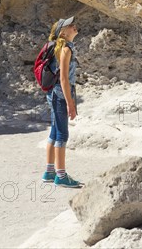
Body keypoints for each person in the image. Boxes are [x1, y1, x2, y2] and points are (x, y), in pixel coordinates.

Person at [41, 16, 83, 188]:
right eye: (70, 26)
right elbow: (64, 79)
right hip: (60, 93)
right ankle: (61, 175)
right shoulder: (65, 49)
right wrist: (70, 103)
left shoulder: (60, 48)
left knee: (54, 131)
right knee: (62, 134)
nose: (74, 27)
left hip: (53, 92)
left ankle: (49, 172)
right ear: (63, 32)